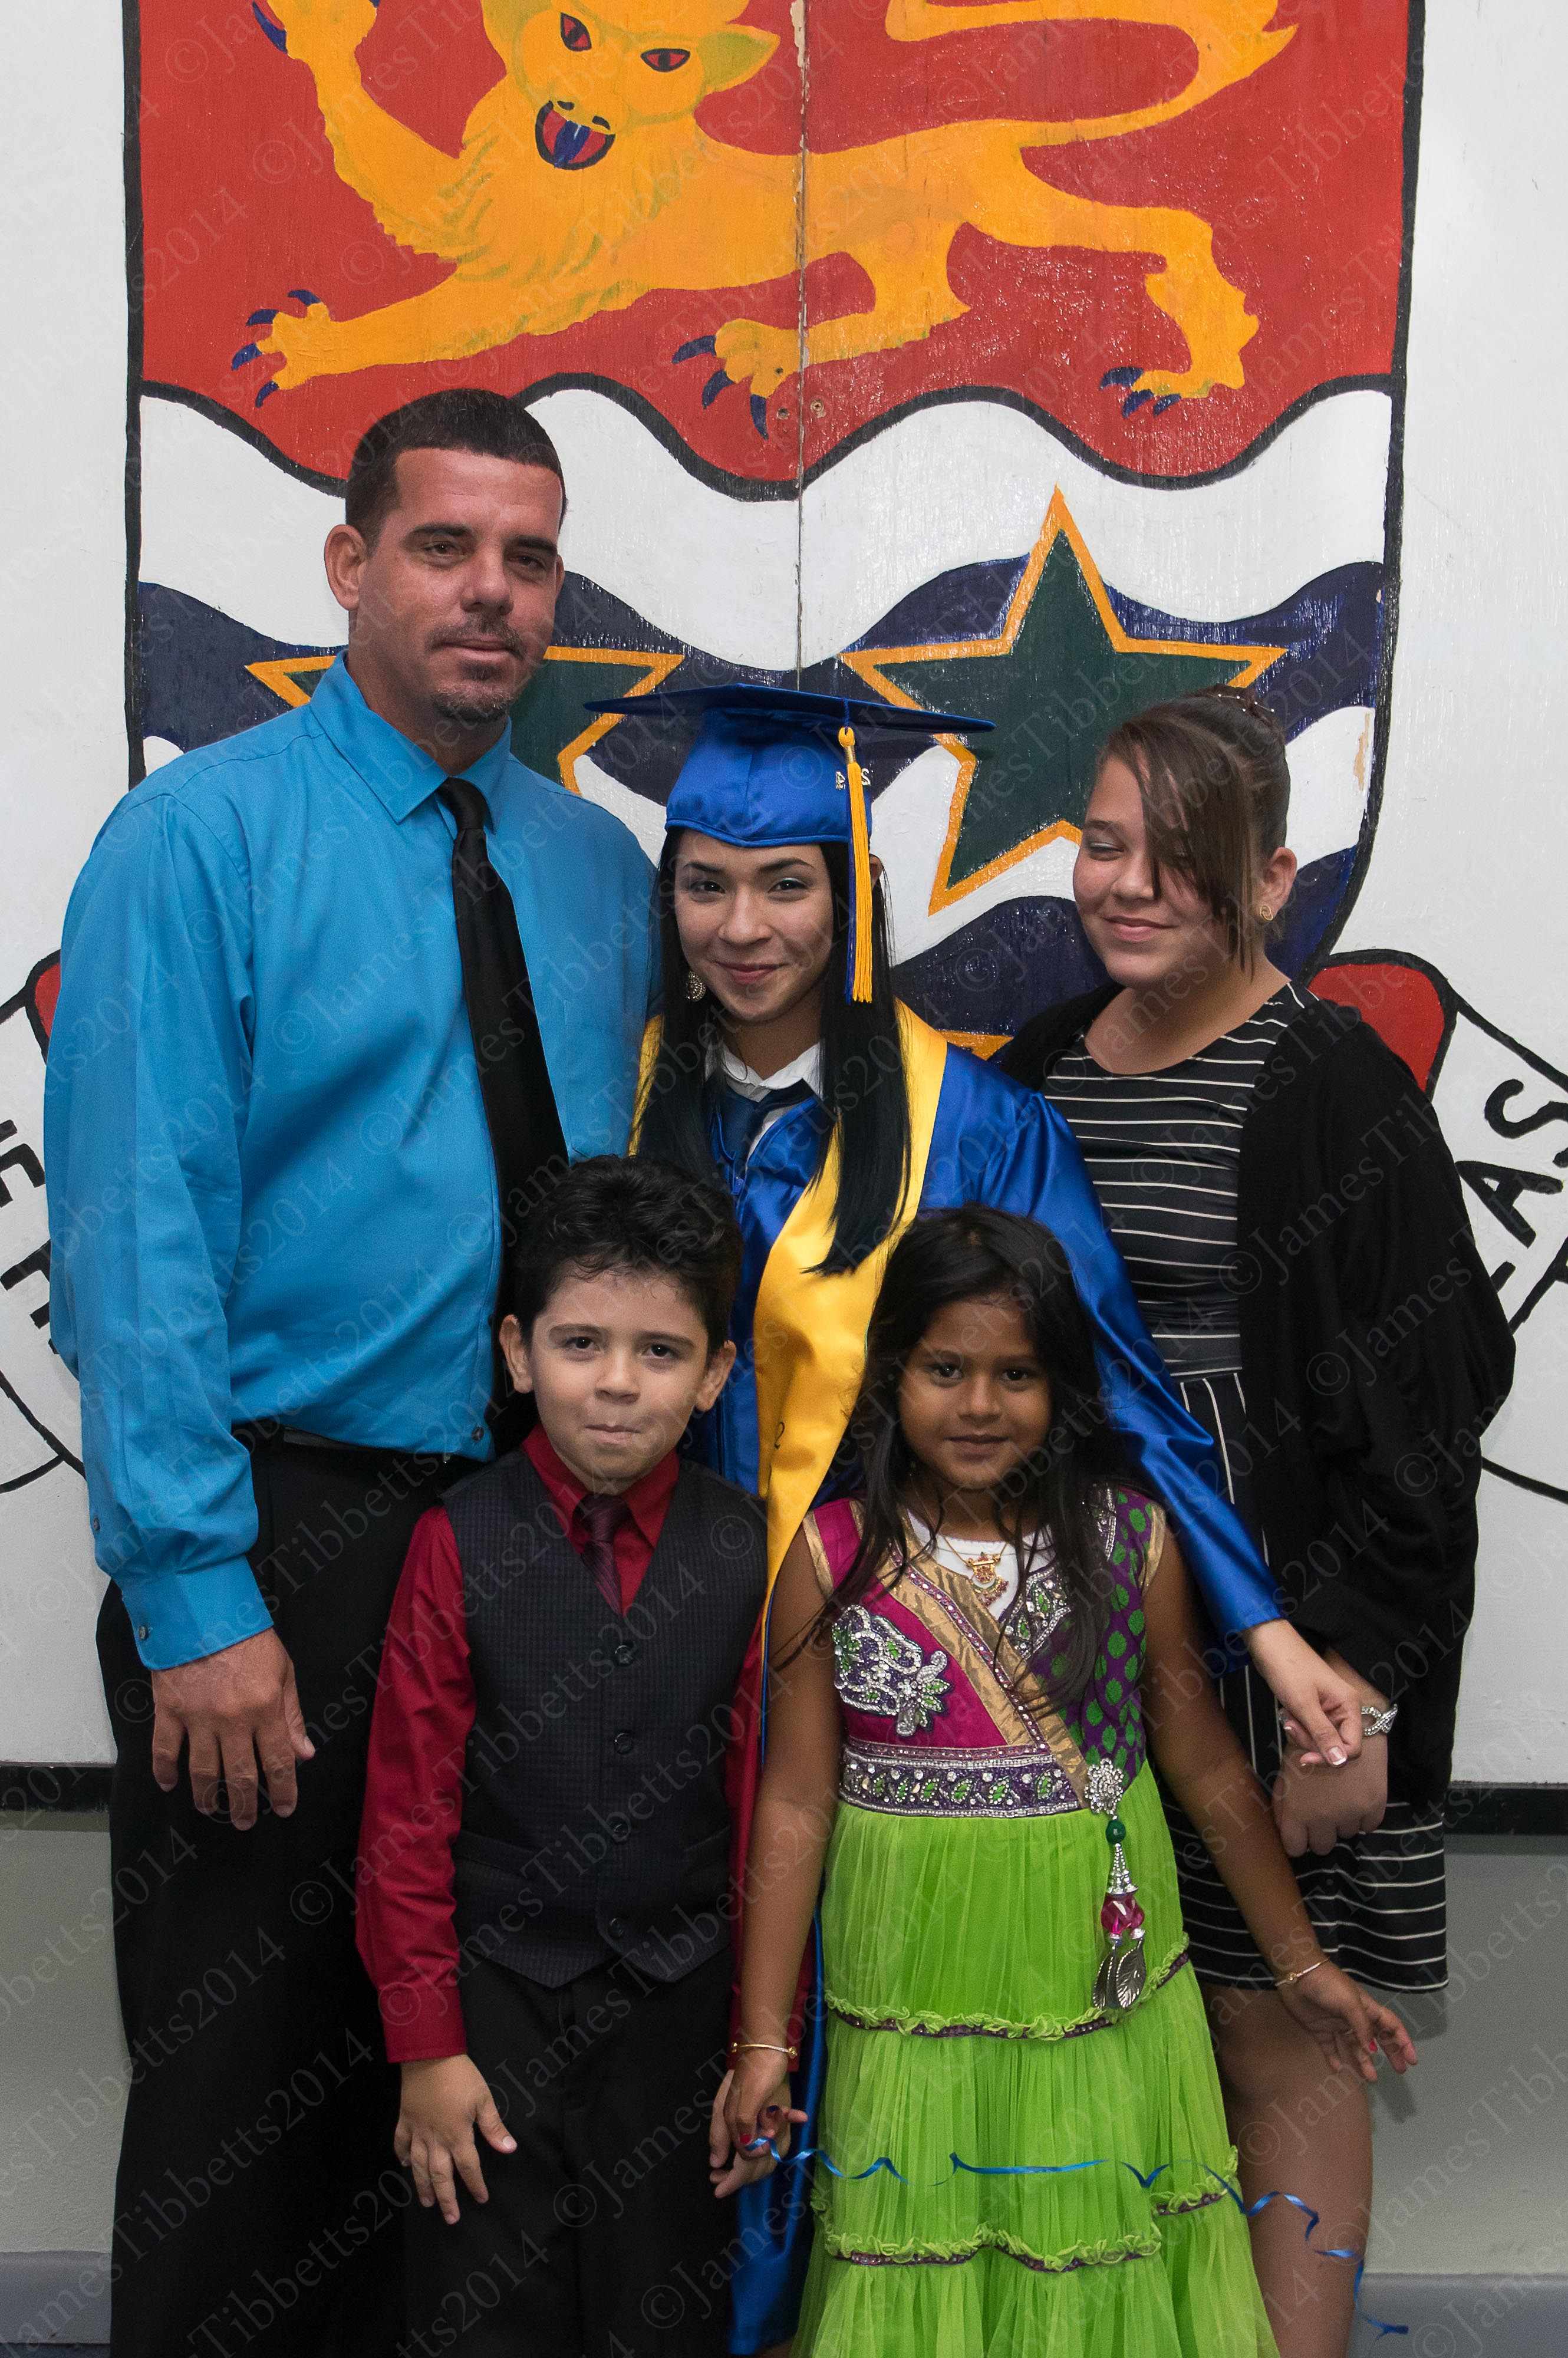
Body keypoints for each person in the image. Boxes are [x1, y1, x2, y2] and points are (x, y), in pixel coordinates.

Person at [591, 680, 1367, 2350]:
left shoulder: (977, 1122)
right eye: (705, 882)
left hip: (880, 1683)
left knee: (873, 2053)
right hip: (643, 1669)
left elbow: (1120, 1402)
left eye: (788, 881)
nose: (745, 926)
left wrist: (1262, 1624)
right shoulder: (613, 1092)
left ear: (853, 897)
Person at [45, 391, 657, 2358]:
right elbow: (135, 1236)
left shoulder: (594, 869)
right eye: (443, 547)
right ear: (347, 563)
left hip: (529, 1539)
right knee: (256, 2094)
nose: (492, 593)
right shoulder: (197, 842)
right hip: (287, 1539)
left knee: (482, 2076)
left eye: (528, 559)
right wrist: (194, 1592)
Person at [999, 689, 1514, 2358]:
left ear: (1275, 876)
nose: (1130, 884)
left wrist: (1349, 1690)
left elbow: (1426, 1425)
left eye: (1184, 855)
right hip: (1058, 1636)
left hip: (1267, 1651)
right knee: (1085, 2009)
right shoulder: (1036, 1068)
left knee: (1269, 2023)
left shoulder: (1332, 1089)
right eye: (1103, 843)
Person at [713, 1206, 1416, 2356]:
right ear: (890, 1375)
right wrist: (760, 2043)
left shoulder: (1130, 1541)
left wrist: (1299, 1962)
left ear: (1065, 1388)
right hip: (912, 1990)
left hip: (1097, 1983)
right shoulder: (831, 1556)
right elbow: (794, 1800)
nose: (979, 1405)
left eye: (1017, 1374)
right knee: (928, 2261)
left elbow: (1203, 1764)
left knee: (1092, 2256)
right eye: (946, 1369)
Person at [354, 1157, 767, 2357]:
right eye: (581, 1343)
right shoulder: (456, 1537)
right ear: (517, 1351)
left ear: (715, 1374)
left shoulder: (748, 1548)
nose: (617, 1384)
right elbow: (407, 1809)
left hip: (681, 2013)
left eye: (660, 1351)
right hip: (492, 2013)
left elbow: (765, 1812)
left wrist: (760, 2036)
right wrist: (427, 2044)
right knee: (486, 2311)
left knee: (663, 2311)